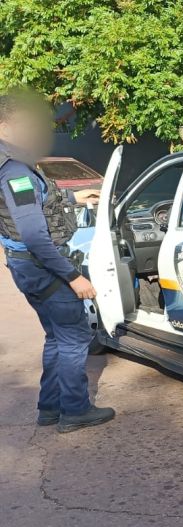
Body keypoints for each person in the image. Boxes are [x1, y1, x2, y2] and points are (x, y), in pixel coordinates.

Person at [0, 89, 114, 432]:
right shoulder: (15, 171)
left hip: (26, 266)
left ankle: (49, 408)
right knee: (75, 335)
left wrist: (74, 195)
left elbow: (37, 204)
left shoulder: (14, 165)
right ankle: (75, 411)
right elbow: (35, 235)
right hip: (40, 267)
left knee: (56, 336)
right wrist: (73, 277)